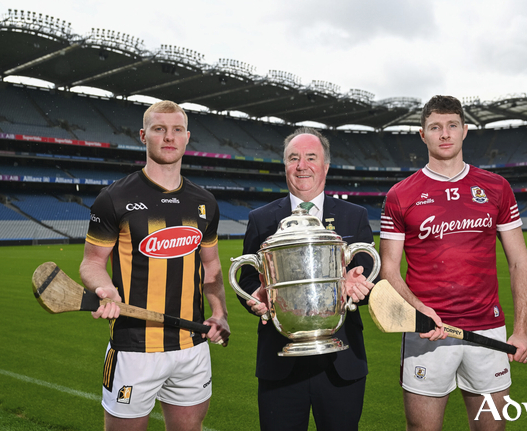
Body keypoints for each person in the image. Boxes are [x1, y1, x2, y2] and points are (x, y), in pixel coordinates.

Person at [379, 95, 527, 431]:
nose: (445, 134)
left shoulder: (496, 188)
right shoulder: (399, 195)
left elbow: (520, 261)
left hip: (489, 329)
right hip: (428, 333)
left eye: (452, 126)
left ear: (465, 131)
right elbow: (388, 267)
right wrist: (419, 309)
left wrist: (521, 331)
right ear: (423, 135)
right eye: (435, 127)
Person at [79, 100, 230, 431]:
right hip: (134, 347)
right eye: (159, 129)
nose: (168, 137)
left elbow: (212, 269)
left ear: (187, 137)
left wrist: (219, 312)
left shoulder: (205, 202)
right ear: (143, 135)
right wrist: (105, 289)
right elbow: (91, 263)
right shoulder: (114, 198)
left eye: (177, 130)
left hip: (192, 343)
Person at [237, 127, 375, 431]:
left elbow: (366, 273)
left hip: (343, 363)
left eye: (311, 158)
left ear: (325, 166)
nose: (302, 165)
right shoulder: (261, 219)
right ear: (285, 166)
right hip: (279, 364)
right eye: (293, 158)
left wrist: (356, 287)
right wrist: (256, 296)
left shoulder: (355, 216)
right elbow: (247, 277)